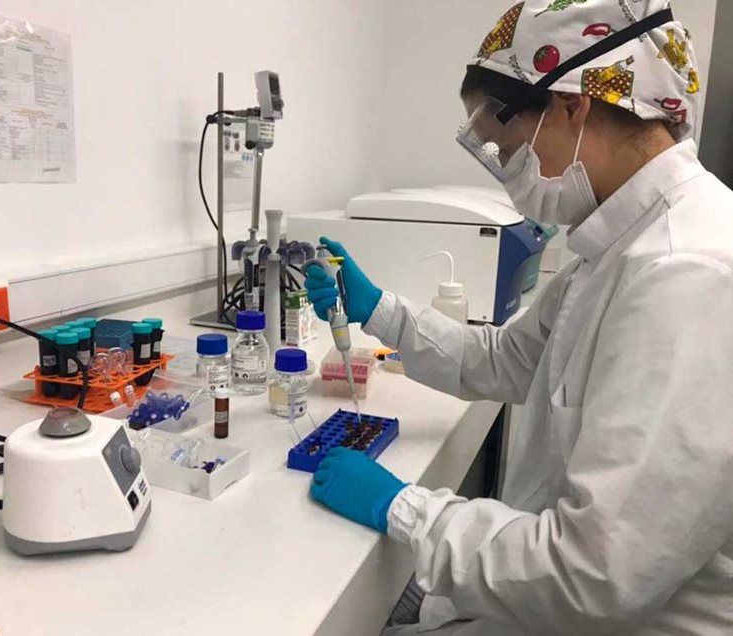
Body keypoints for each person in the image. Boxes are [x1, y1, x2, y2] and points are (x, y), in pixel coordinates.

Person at [305, 1, 733, 634]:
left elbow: (596, 576)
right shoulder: (616, 243)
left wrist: (405, 509)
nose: (511, 175)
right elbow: (507, 360)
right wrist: (380, 311)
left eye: (509, 148)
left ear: (571, 105)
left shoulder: (686, 272)